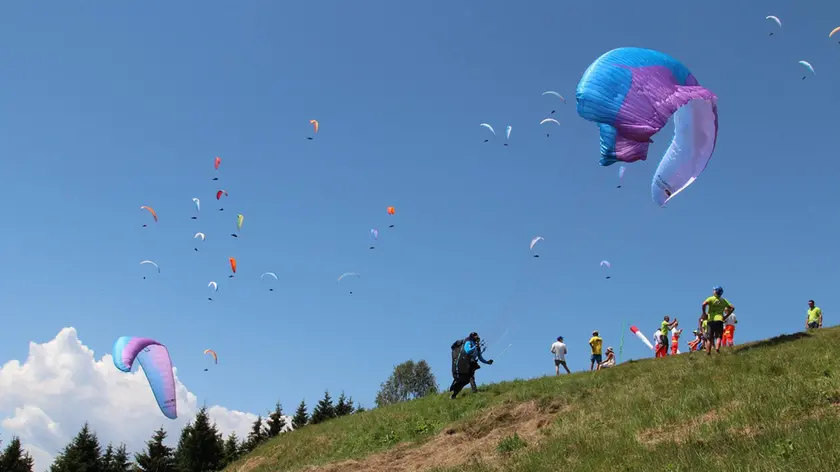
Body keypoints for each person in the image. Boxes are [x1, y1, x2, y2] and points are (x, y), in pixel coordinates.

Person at [449, 332, 493, 399]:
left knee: (465, 381)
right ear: (472, 337)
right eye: (475, 336)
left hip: (471, 364)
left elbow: (480, 357)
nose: (477, 338)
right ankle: (474, 391)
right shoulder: (468, 342)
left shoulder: (477, 346)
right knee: (470, 377)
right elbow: (467, 351)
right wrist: (475, 347)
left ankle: (454, 395)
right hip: (465, 363)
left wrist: (487, 362)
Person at [702, 286, 734, 355]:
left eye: (714, 290)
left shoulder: (711, 298)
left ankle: (708, 353)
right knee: (719, 337)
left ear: (716, 291)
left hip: (710, 320)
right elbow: (732, 307)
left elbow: (704, 304)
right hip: (719, 320)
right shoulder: (724, 300)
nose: (713, 291)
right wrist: (726, 316)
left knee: (709, 338)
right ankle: (717, 349)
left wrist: (704, 313)